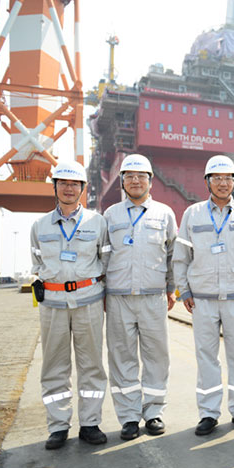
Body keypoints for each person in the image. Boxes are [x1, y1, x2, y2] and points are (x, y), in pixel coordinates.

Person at [174, 155, 234, 435]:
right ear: (208, 182)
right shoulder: (192, 214)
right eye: (217, 178)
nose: (223, 183)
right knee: (206, 358)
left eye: (228, 178)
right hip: (202, 299)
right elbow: (181, 256)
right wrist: (184, 289)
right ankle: (208, 413)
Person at [29, 161, 110, 449]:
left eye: (74, 184)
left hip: (88, 302)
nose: (68, 188)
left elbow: (106, 260)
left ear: (82, 189)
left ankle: (90, 423)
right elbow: (37, 262)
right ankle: (58, 426)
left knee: (92, 365)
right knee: (54, 366)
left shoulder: (97, 223)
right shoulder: (39, 226)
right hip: (52, 305)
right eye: (63, 183)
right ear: (55, 187)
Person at [103, 154, 177, 440]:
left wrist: (172, 288)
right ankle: (129, 417)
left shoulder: (165, 214)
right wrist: (102, 292)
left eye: (141, 176)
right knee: (121, 359)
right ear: (122, 181)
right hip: (118, 298)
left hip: (153, 297)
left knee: (157, 357)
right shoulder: (110, 216)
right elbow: (102, 257)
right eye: (130, 176)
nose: (135, 180)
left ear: (150, 181)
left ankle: (154, 412)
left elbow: (173, 255)